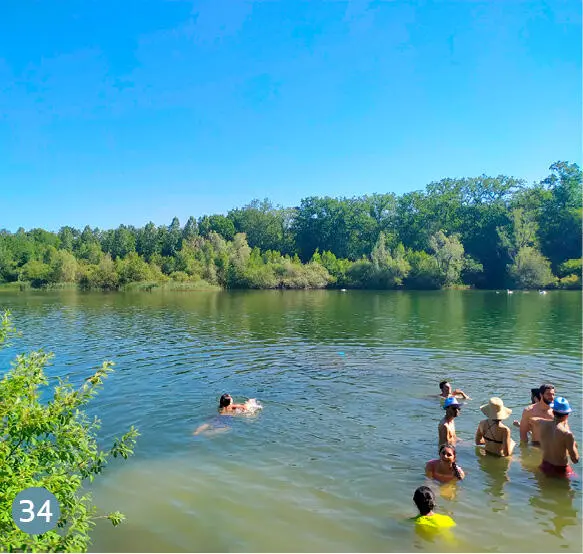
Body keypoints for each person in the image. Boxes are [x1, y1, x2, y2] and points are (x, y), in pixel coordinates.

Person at [531, 397, 579, 478]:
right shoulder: (567, 434)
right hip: (561, 470)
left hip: (544, 466)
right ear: (567, 415)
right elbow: (575, 460)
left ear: (553, 412)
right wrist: (573, 444)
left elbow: (532, 419)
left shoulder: (542, 423)